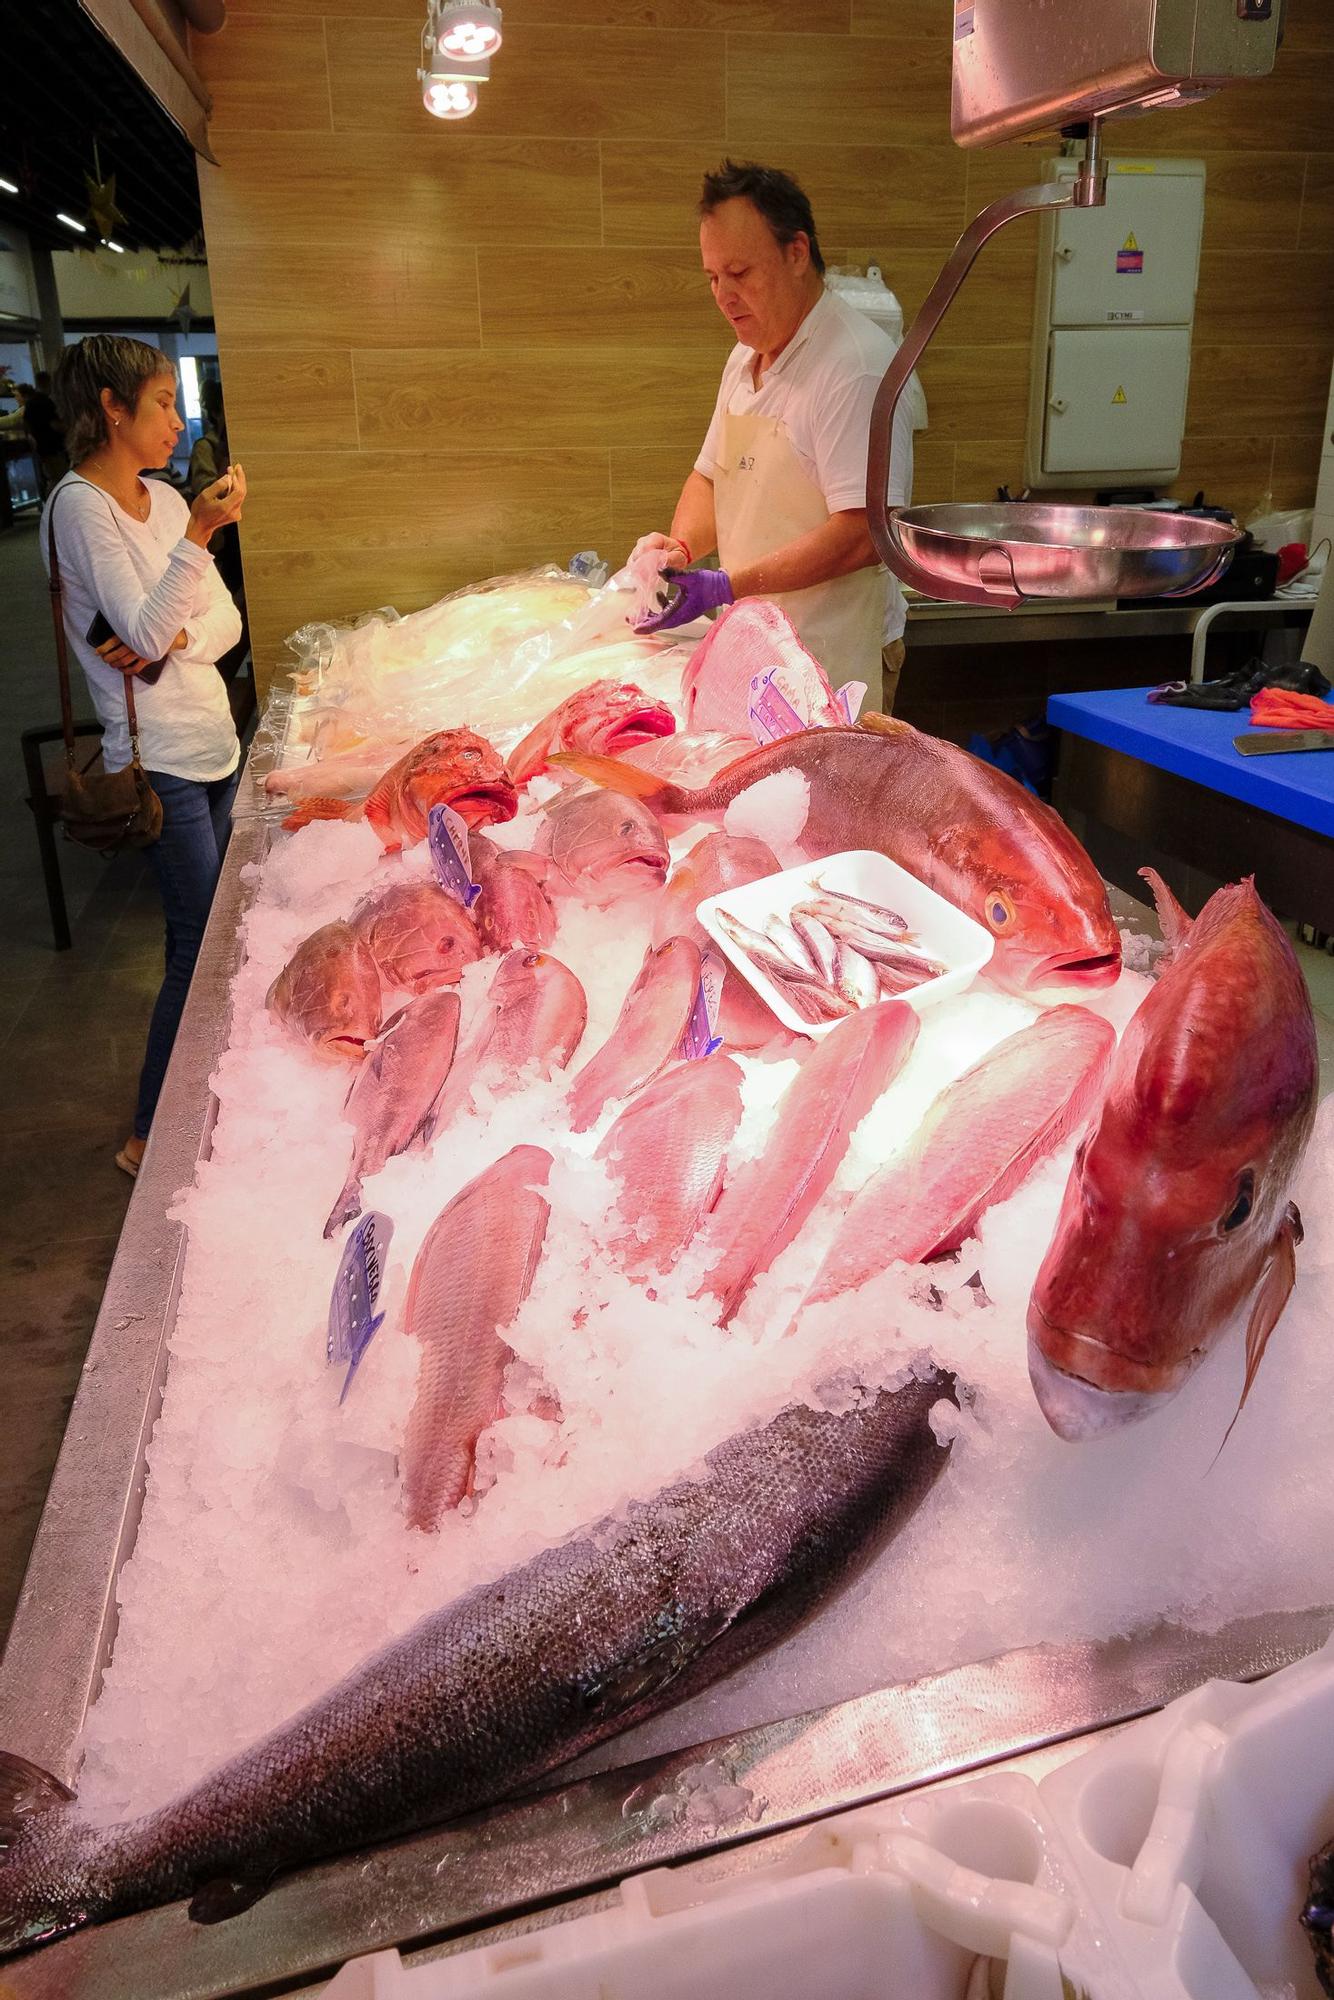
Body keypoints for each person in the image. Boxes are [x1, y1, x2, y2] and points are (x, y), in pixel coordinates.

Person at [42, 334, 247, 1178]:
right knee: (196, 945)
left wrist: (182, 637)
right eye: (160, 403)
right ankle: (143, 1138)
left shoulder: (162, 499)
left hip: (215, 741)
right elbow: (138, 631)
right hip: (158, 760)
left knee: (223, 939)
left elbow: (226, 627)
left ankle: (211, 1107)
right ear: (112, 409)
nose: (176, 418)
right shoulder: (78, 506)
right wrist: (198, 536)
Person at [631, 159, 914, 708]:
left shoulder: (854, 366)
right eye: (713, 277)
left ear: (797, 253)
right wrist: (681, 549)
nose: (723, 294)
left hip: (833, 664)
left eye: (740, 273)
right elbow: (711, 477)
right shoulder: (744, 359)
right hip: (761, 656)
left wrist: (732, 584)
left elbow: (863, 533)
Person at [23, 376, 68, 495]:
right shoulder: (46, 402)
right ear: (48, 384)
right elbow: (55, 424)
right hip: (53, 446)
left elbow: (26, 424)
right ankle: (54, 505)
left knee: (51, 477)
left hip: (41, 447)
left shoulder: (30, 403)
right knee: (58, 478)